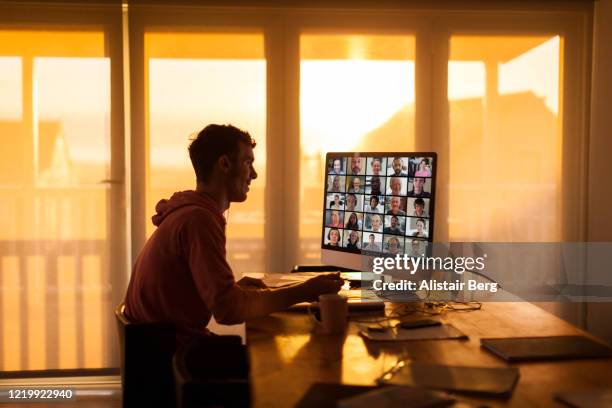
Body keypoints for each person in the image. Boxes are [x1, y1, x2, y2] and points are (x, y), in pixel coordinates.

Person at [124, 124, 343, 345]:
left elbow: (208, 295)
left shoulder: (189, 213)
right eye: (248, 163)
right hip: (173, 359)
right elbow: (227, 309)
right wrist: (304, 292)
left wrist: (234, 289)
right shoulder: (198, 220)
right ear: (225, 164)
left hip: (157, 349)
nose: (254, 175)